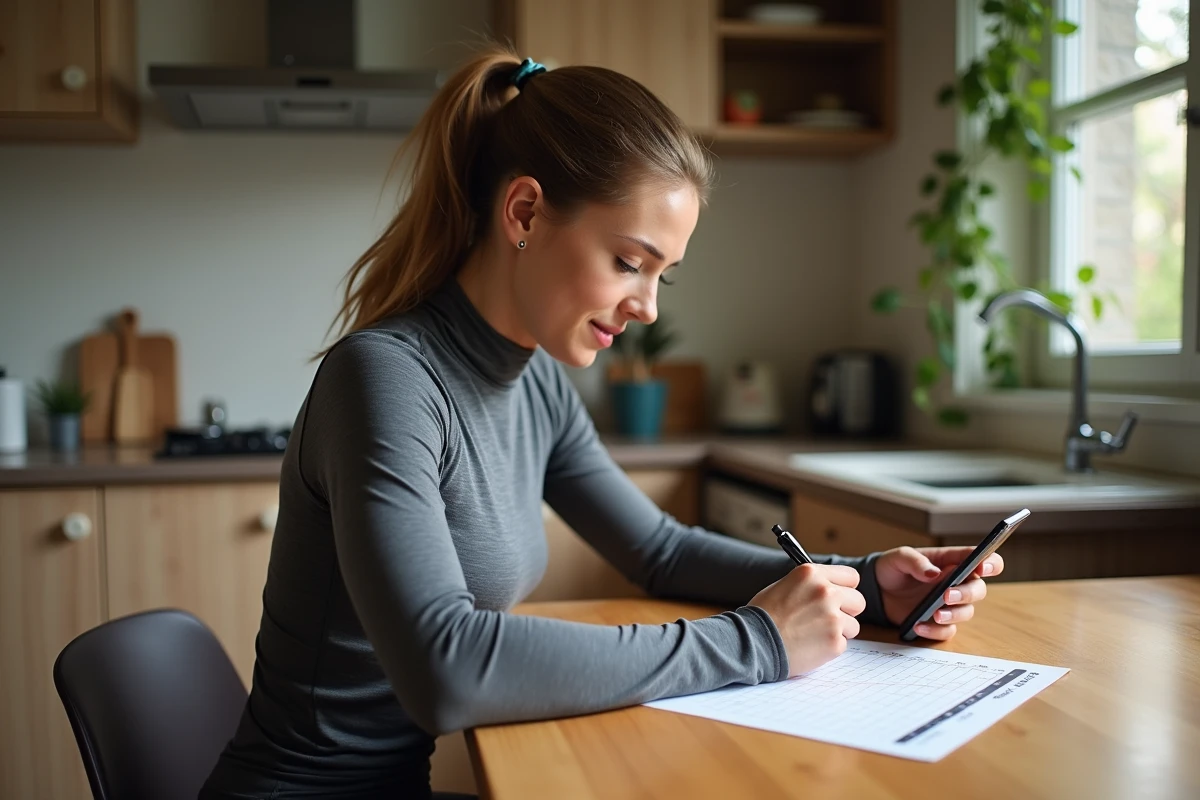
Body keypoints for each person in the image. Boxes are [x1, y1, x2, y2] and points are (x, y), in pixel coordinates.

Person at [200, 46, 1004, 800]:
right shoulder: (386, 380)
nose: (646, 307)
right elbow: (446, 669)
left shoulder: (537, 383)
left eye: (662, 276)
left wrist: (864, 584)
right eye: (628, 262)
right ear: (525, 212)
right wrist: (757, 642)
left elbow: (660, 552)